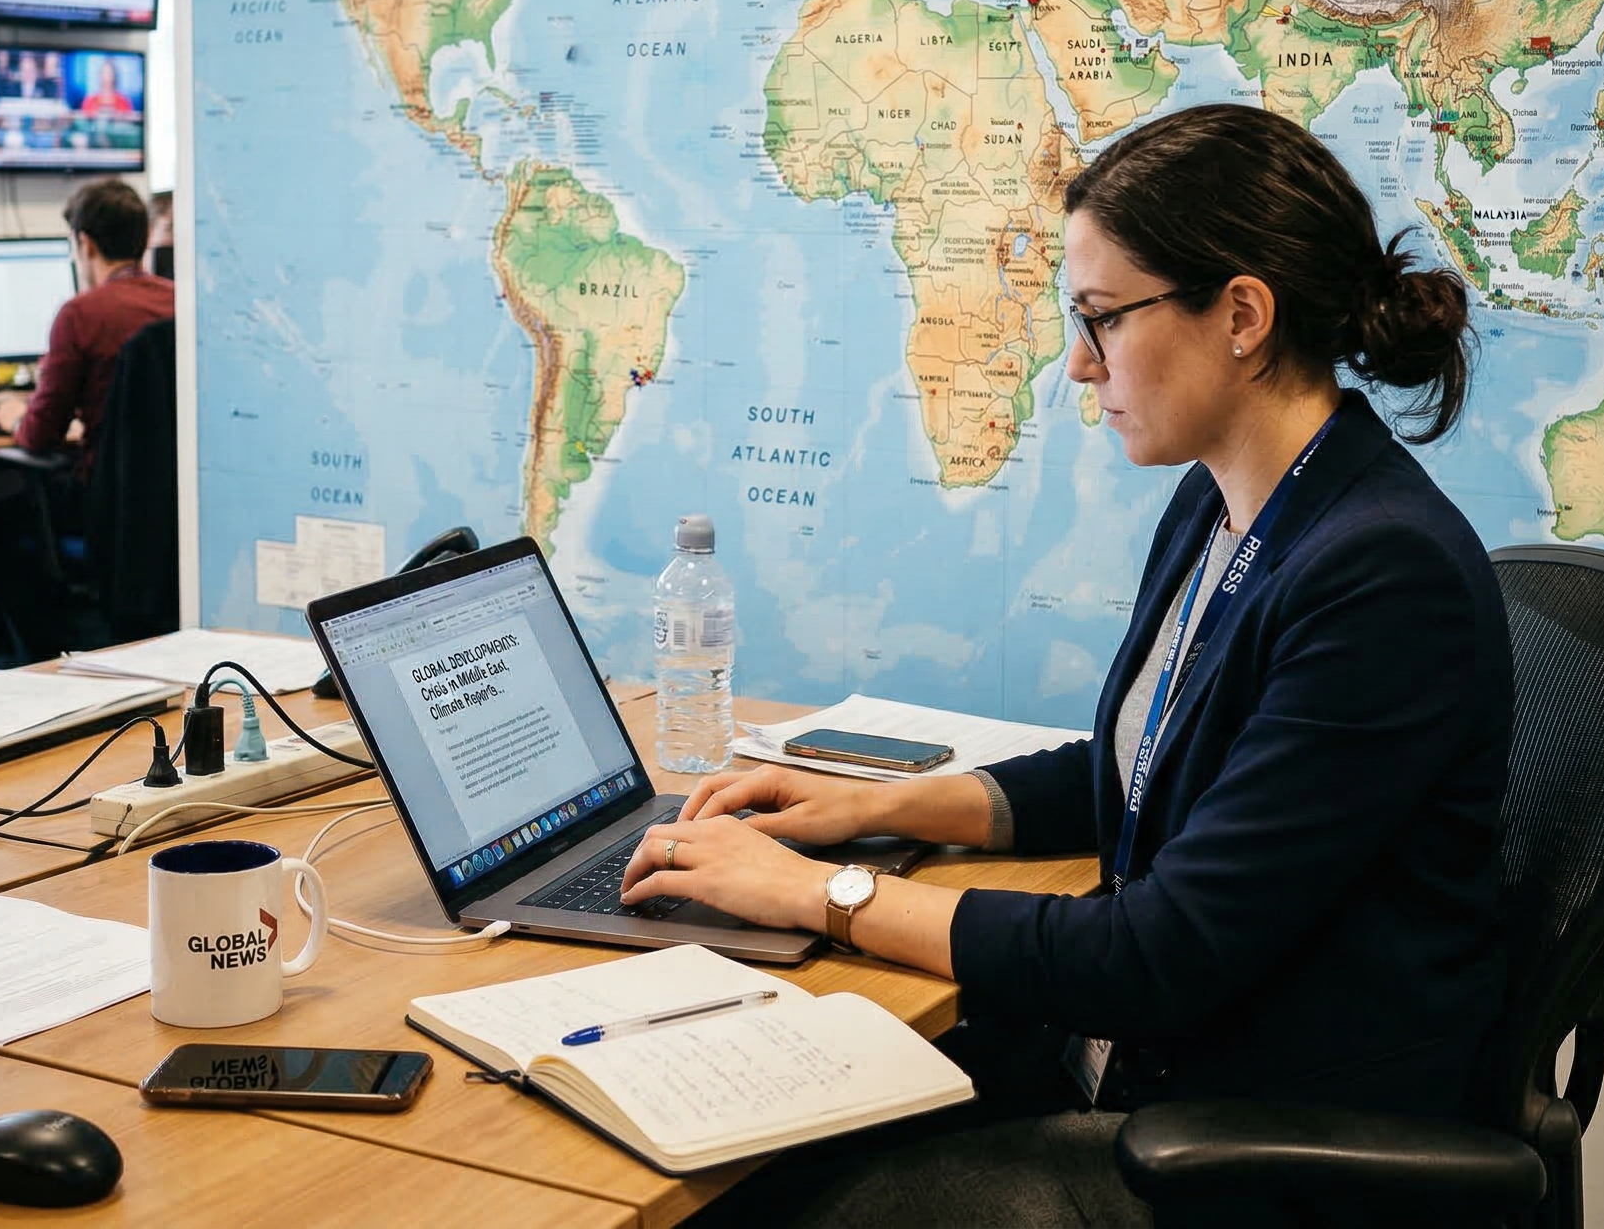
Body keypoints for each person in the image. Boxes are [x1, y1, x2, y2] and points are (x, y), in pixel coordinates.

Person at [623, 103, 1510, 1228]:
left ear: (1241, 314)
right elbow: (1145, 765)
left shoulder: (1382, 575)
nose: (1080, 364)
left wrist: (819, 893)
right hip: (1148, 1068)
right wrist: (868, 808)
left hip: (1242, 1142)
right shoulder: (1223, 499)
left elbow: (1163, 952)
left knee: (746, 1202)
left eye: (1101, 318)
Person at [0, 178, 173, 477]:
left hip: (103, 493)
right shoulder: (179, 299)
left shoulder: (80, 315)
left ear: (85, 244)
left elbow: (41, 434)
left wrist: (15, 418)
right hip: (173, 493)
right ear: (145, 236)